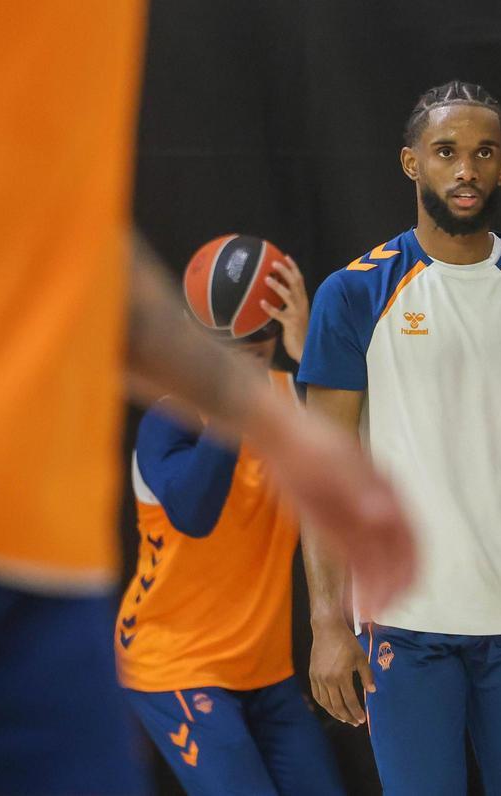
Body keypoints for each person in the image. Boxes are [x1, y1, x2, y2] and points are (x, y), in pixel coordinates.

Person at [0, 5, 411, 795]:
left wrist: (280, 424)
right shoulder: (166, 433)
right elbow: (193, 507)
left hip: (35, 556)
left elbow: (56, 230)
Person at [297, 80, 501, 795]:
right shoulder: (354, 294)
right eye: (446, 152)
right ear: (412, 163)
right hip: (403, 625)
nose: (465, 169)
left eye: (482, 153)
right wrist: (326, 622)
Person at [118, 256, 344, 795]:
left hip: (264, 671)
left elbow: (362, 461)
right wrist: (229, 402)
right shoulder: (170, 415)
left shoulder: (292, 402)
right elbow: (195, 513)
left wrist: (311, 352)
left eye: (259, 330)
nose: (251, 341)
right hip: (175, 664)